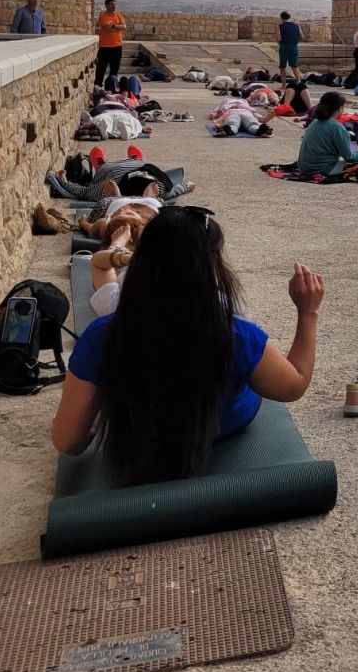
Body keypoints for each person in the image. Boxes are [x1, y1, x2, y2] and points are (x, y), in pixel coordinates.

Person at [51, 206, 325, 485]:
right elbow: (294, 384)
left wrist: (94, 416)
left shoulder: (103, 335)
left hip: (142, 434)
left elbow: (67, 441)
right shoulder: (237, 335)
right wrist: (308, 312)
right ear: (212, 265)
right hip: (226, 427)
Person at [296, 91, 358, 176]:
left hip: (304, 167)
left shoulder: (315, 122)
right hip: (322, 169)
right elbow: (348, 157)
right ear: (339, 109)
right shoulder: (337, 127)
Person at [47, 156, 194, 202]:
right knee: (100, 176)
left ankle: (128, 159)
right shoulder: (111, 186)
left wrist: (64, 181)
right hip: (109, 171)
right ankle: (103, 164)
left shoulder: (160, 186)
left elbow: (84, 192)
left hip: (134, 165)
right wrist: (64, 182)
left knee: (107, 170)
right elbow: (84, 192)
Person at [95, 0, 126, 89]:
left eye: (115, 4)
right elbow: (107, 27)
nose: (114, 6)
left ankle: (112, 86)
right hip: (105, 47)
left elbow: (124, 27)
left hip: (117, 46)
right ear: (107, 5)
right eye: (112, 4)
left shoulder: (118, 15)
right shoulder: (103, 16)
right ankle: (98, 86)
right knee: (101, 68)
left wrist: (114, 26)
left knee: (115, 68)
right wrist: (117, 26)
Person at [277, 12, 302, 82]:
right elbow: (302, 36)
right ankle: (299, 83)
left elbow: (279, 39)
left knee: (282, 67)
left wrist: (277, 27)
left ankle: (284, 85)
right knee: (294, 66)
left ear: (281, 18)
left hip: (284, 46)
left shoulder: (281, 26)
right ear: (289, 17)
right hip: (294, 46)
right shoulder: (296, 25)